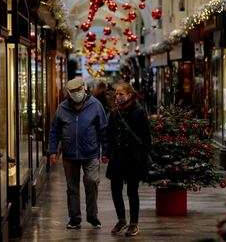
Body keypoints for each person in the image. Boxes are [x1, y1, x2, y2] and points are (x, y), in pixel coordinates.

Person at [48, 77, 108, 229]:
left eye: (78, 90)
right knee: (72, 188)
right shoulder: (62, 108)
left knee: (92, 181)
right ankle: (74, 218)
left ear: (84, 89)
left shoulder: (95, 105)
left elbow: (103, 130)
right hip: (69, 154)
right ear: (68, 93)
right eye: (72, 92)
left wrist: (105, 151)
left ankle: (92, 215)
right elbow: (54, 130)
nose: (76, 94)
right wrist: (53, 150)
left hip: (91, 152)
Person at [102, 82, 151, 236]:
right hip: (117, 156)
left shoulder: (139, 111)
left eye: (121, 94)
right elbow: (109, 135)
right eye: (116, 94)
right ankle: (122, 220)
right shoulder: (115, 113)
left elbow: (146, 137)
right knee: (115, 190)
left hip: (133, 157)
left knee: (132, 191)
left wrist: (142, 155)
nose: (118, 97)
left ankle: (134, 223)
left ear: (129, 95)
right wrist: (106, 153)